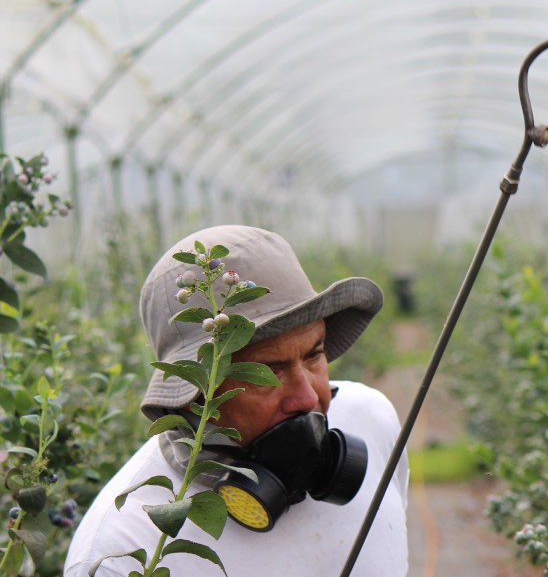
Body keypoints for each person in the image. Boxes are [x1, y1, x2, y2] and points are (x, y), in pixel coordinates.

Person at [65, 225, 408, 576]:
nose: (309, 397)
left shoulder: (371, 418)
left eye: (313, 355)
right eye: (268, 372)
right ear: (191, 393)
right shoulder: (118, 553)